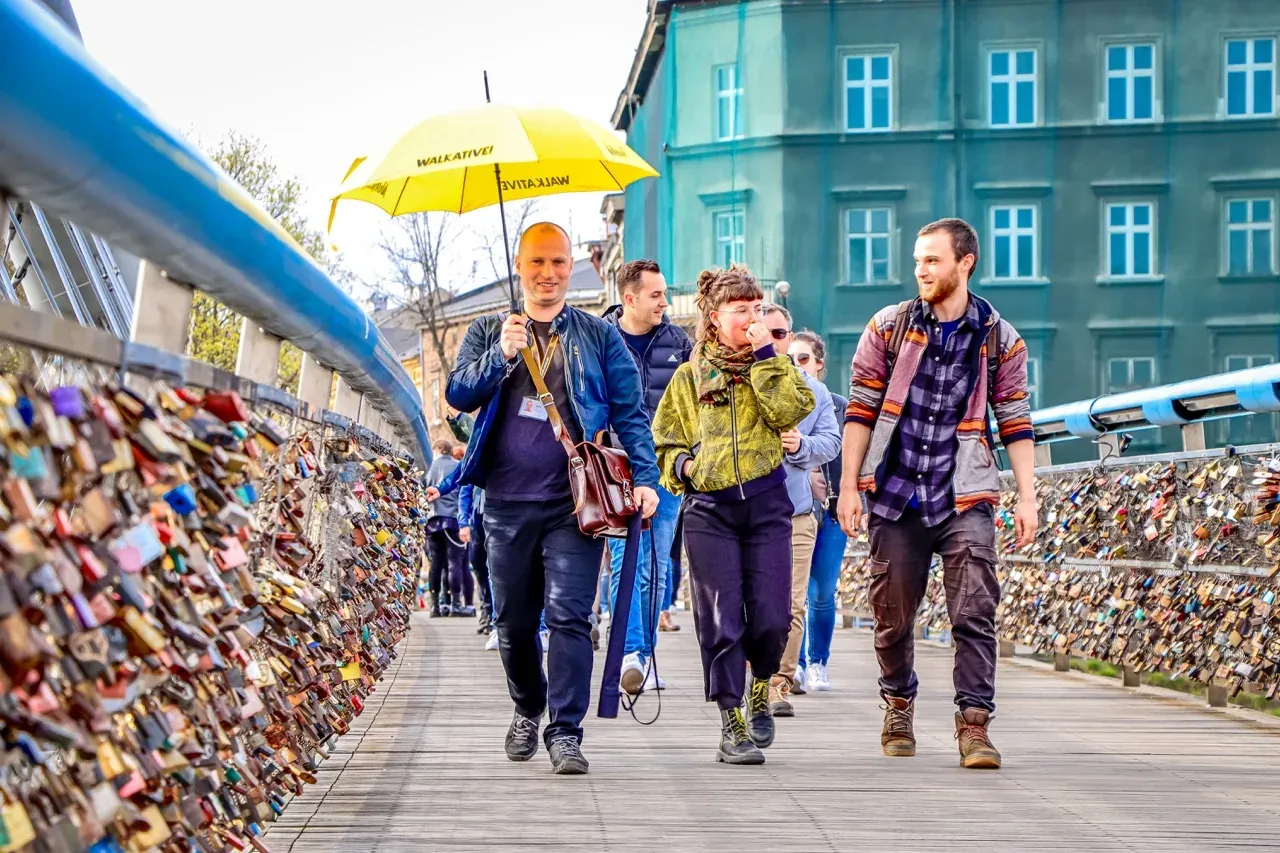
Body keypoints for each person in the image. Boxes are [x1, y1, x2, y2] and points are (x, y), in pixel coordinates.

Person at [446, 222, 659, 776]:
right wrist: (500, 355)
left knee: (569, 617)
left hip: (576, 501)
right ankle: (527, 707)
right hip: (507, 502)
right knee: (514, 623)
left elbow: (630, 412)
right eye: (538, 263)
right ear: (520, 267)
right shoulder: (488, 331)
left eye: (559, 263)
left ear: (570, 267)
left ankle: (566, 731)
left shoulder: (597, 334)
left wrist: (646, 478)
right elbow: (457, 393)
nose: (549, 274)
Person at [836, 217, 1037, 770]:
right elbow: (860, 411)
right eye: (918, 260)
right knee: (893, 615)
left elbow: (1016, 419)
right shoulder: (889, 326)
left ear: (965, 262)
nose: (921, 270)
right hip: (896, 492)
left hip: (963, 495)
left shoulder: (1000, 338)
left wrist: (1026, 496)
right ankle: (898, 702)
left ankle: (974, 727)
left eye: (932, 260)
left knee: (974, 610)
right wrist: (850, 485)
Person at [651, 264, 815, 766]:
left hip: (767, 505)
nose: (751, 318)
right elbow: (665, 438)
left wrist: (768, 354)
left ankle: (761, 687)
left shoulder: (777, 365)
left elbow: (791, 411)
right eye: (740, 310)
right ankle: (731, 721)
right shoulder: (690, 376)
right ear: (715, 318)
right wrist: (684, 465)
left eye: (756, 308)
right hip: (710, 510)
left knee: (771, 617)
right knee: (721, 617)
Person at [601, 259, 692, 694]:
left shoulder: (680, 343)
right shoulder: (600, 339)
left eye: (664, 293)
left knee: (655, 563)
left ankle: (646, 653)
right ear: (630, 297)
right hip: (616, 467)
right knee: (625, 561)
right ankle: (630, 653)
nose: (665, 302)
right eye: (656, 294)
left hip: (666, 469)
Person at [760, 304, 841, 717]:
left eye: (781, 334)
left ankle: (779, 683)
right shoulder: (736, 381)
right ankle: (748, 682)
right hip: (743, 509)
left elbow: (832, 442)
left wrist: (801, 448)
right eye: (768, 331)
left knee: (793, 603)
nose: (775, 341)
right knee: (747, 602)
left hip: (796, 511)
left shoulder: (814, 390)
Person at [791, 330, 847, 692]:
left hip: (832, 510)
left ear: (819, 363)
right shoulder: (779, 397)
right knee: (792, 591)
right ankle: (792, 664)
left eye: (804, 359)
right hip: (796, 508)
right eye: (792, 359)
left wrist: (853, 497)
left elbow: (851, 454)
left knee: (822, 590)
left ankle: (818, 662)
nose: (798, 366)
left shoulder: (840, 405)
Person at [423, 439, 472, 617]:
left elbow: (424, 488)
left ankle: (435, 606)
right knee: (455, 564)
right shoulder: (458, 466)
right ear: (450, 451)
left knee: (435, 565)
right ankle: (456, 605)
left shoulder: (430, 466)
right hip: (454, 520)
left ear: (436, 450)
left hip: (434, 521)